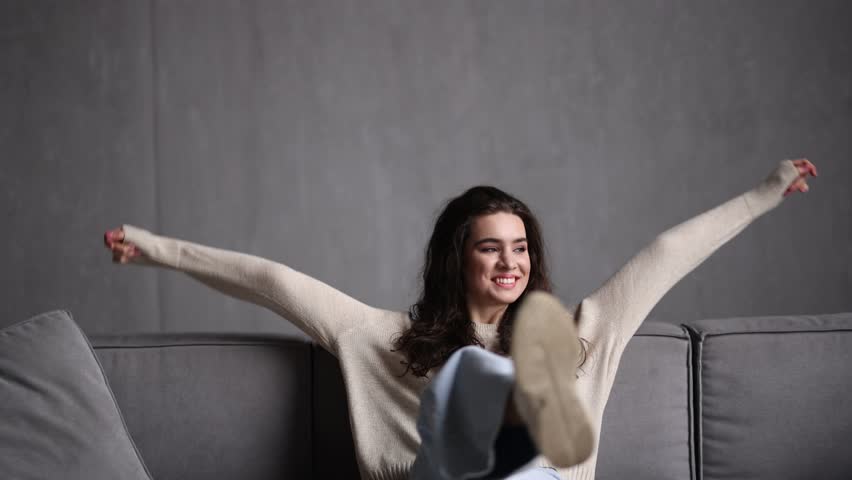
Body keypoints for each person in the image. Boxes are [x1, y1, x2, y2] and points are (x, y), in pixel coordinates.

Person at [104, 158, 817, 480]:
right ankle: (493, 411)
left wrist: (764, 194)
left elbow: (665, 255)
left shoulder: (581, 332)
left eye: (521, 249)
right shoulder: (381, 339)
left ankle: (518, 430)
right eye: (490, 248)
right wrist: (156, 251)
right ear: (459, 259)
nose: (510, 263)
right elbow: (272, 282)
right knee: (473, 379)